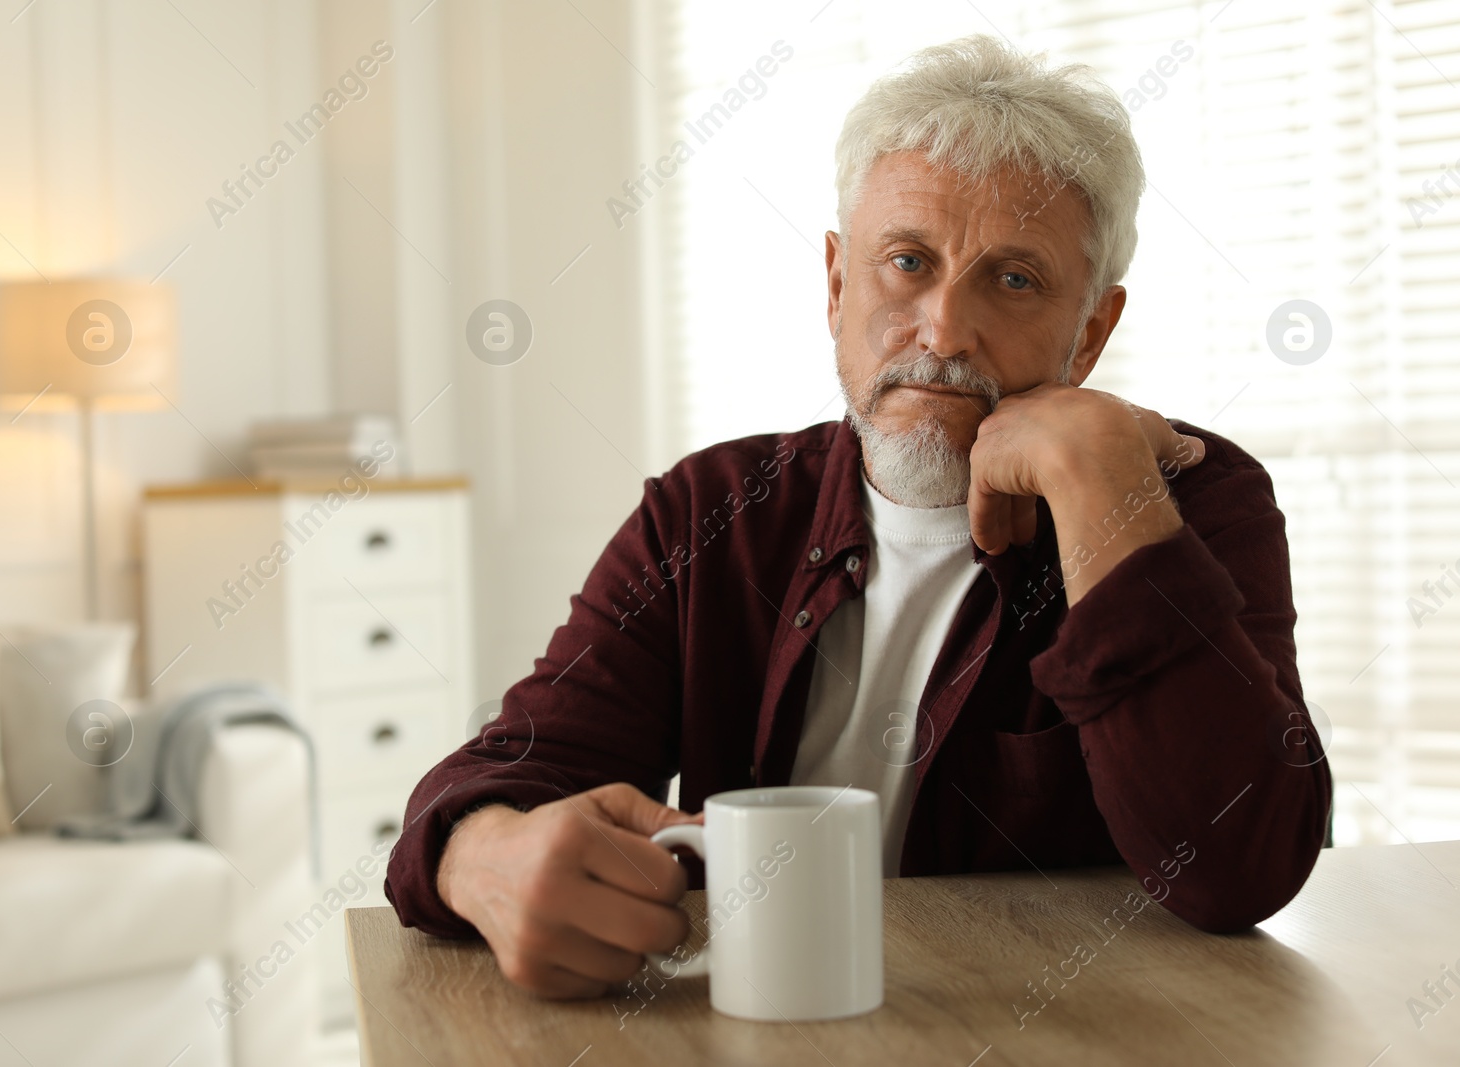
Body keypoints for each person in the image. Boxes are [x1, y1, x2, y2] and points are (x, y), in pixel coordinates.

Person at [385, 34, 1331, 999]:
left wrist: (1100, 485)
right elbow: (507, 769)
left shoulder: (1191, 499)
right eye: (908, 261)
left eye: (1014, 280)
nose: (944, 331)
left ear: (1090, 331)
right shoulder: (711, 512)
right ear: (837, 285)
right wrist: (480, 854)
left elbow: (1241, 868)